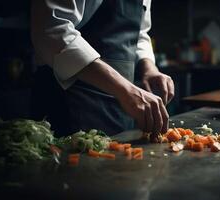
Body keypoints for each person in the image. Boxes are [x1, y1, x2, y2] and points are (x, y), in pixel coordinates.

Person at [30, 0, 174, 136]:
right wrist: (126, 90)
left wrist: (149, 68)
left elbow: (140, 33)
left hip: (122, 104)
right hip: (71, 98)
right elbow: (52, 30)